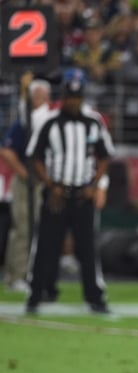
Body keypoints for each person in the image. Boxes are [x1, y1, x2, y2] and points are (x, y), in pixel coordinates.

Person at [25, 68, 112, 315]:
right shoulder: (49, 122)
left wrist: (94, 185)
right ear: (63, 96)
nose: (74, 101)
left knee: (87, 249)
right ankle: (36, 293)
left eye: (77, 97)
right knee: (45, 246)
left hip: (83, 194)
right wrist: (50, 184)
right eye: (70, 97)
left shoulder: (93, 121)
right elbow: (35, 156)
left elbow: (105, 156)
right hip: (57, 194)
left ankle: (95, 297)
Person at [0, 76, 50, 294]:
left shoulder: (48, 119)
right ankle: (16, 275)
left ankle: (24, 273)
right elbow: (6, 150)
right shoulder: (25, 121)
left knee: (36, 228)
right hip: (28, 181)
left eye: (42, 96)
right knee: (23, 227)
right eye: (35, 96)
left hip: (48, 179)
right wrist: (24, 173)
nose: (39, 100)